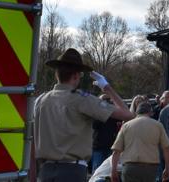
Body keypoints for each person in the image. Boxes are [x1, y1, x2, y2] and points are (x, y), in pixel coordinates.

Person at [34, 49, 135, 182]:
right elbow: (128, 115)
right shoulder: (82, 99)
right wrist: (107, 88)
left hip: (45, 171)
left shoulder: (41, 100)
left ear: (57, 74)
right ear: (76, 75)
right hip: (72, 171)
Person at [111, 100, 169, 182]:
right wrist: (167, 167)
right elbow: (166, 148)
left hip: (130, 167)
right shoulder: (158, 125)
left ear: (136, 112)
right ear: (151, 112)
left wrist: (113, 170)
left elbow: (116, 151)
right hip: (150, 168)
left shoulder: (126, 126)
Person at [94, 95, 125, 172]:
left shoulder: (113, 114)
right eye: (104, 100)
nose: (106, 102)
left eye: (108, 100)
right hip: (98, 146)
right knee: (97, 170)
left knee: (110, 170)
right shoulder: (95, 113)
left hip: (110, 146)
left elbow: (123, 117)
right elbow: (94, 125)